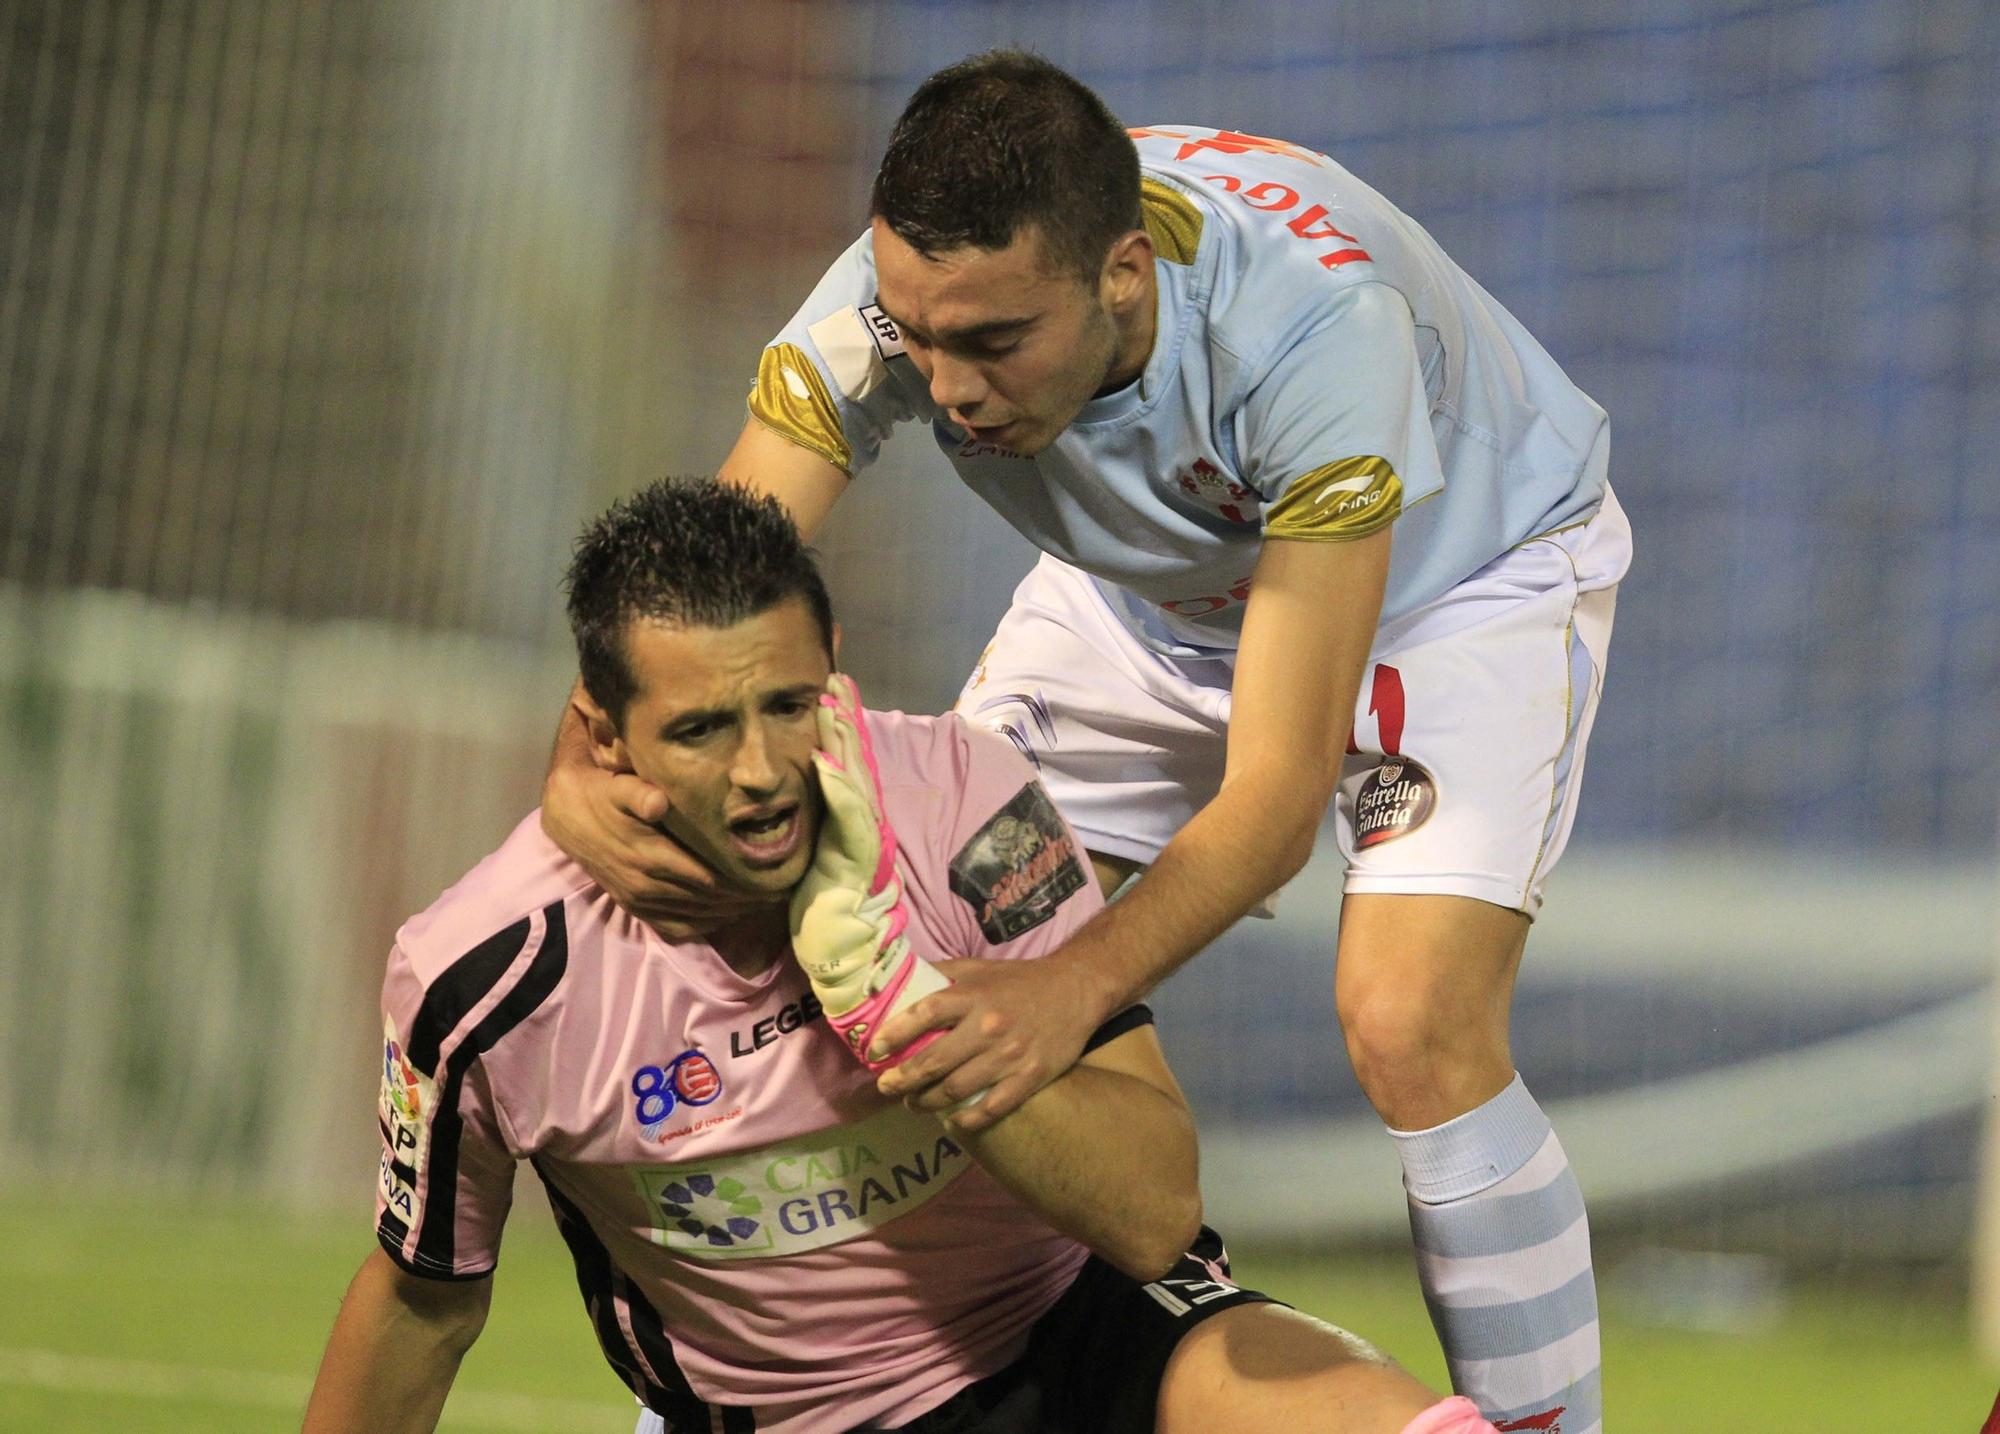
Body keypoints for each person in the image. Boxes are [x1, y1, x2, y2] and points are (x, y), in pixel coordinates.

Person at [542, 54, 1629, 1434]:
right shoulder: (900, 306)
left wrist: (1068, 991)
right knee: (897, 946)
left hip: (1453, 582)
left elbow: (1275, 795)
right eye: (920, 339)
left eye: (992, 343)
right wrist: (585, 769)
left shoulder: (1311, 333)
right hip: (1147, 601)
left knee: (1409, 1019)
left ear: (1124, 274)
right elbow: (685, 612)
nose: (945, 389)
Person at [303, 478, 1498, 1434]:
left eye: (787, 704)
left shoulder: (964, 805)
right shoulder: (481, 979)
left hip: (1088, 1335)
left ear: (834, 657)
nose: (765, 772)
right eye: (701, 731)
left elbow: (1150, 1213)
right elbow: (421, 1303)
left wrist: (895, 1007)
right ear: (601, 739)